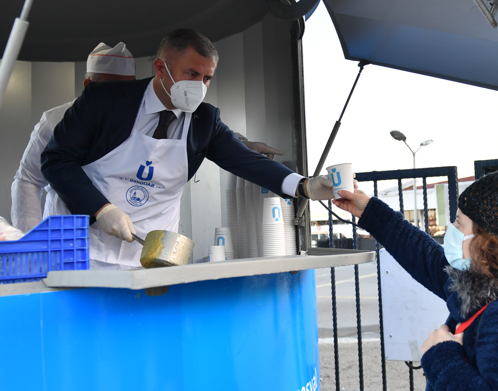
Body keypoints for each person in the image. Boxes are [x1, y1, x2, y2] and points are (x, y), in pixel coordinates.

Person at [41, 29, 333, 270]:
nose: (200, 86)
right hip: (79, 250)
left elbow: (247, 162)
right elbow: (56, 160)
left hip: (151, 258)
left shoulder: (204, 121)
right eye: (191, 74)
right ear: (160, 68)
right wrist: (101, 208)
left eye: (207, 78)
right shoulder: (104, 101)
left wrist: (304, 186)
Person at [333, 169, 498, 391]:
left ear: (486, 240)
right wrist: (368, 210)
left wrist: (442, 355)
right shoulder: (482, 284)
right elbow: (424, 255)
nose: (450, 230)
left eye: (459, 223)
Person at [11, 42, 137, 233]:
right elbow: (28, 180)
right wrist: (30, 242)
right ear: (89, 85)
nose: (118, 98)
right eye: (110, 88)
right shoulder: (55, 121)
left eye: (126, 90)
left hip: (125, 241)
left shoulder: (142, 121)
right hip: (65, 239)